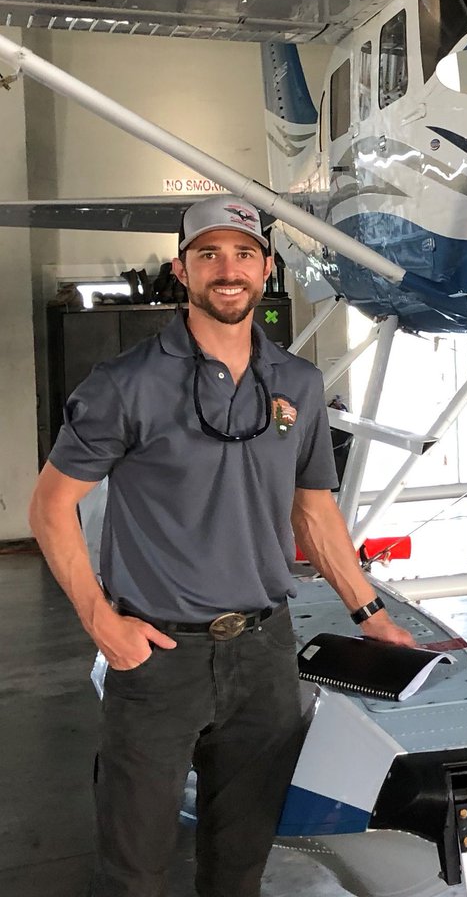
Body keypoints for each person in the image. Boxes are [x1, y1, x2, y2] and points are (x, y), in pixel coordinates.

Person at [28, 195, 415, 897]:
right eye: (208, 254)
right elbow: (51, 506)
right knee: (134, 867)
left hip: (263, 659)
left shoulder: (295, 384)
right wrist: (100, 621)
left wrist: (369, 613)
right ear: (181, 269)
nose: (227, 269)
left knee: (240, 864)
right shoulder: (125, 384)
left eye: (243, 253)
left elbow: (315, 512)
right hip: (158, 659)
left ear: (268, 269)